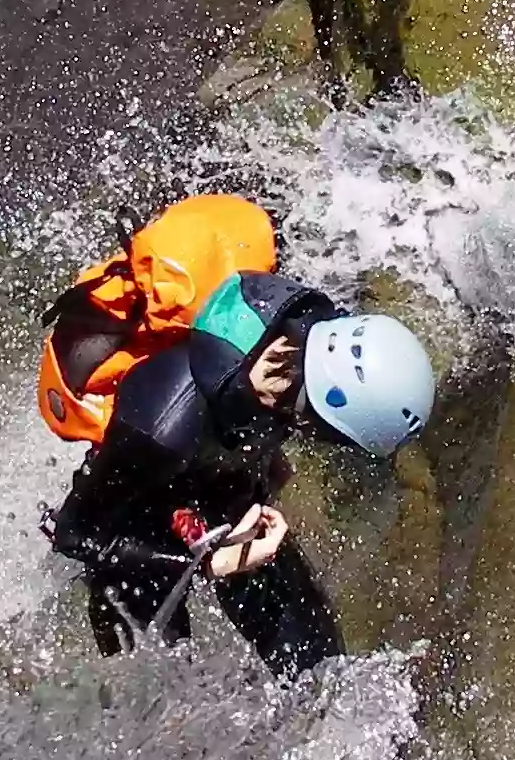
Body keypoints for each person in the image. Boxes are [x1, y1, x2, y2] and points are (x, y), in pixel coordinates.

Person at [45, 269, 437, 677]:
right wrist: (206, 564)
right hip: (133, 537)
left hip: (221, 499)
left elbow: (260, 427)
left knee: (318, 668)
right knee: (158, 699)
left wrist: (263, 477)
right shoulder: (162, 427)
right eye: (337, 436)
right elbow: (74, 535)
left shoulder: (307, 344)